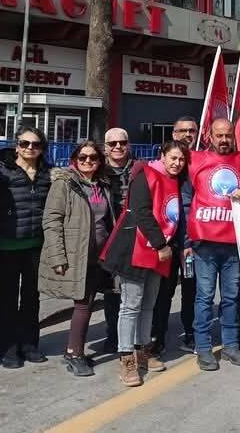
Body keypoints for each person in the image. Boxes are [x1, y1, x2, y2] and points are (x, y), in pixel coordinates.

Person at [102, 141, 187, 387]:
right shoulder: (145, 175)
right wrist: (161, 244)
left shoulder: (174, 180)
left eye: (181, 160)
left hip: (160, 252)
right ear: (162, 155)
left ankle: (142, 350)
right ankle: (126, 356)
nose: (176, 163)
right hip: (139, 249)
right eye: (172, 158)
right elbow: (141, 211)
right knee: (131, 305)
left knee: (148, 305)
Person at [40, 140, 120, 378]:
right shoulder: (64, 184)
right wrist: (58, 256)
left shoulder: (101, 184)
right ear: (74, 160)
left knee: (91, 301)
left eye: (93, 158)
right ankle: (75, 354)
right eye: (83, 158)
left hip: (100, 254)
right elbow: (51, 221)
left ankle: (74, 350)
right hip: (77, 253)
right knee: (83, 304)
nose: (88, 162)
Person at [185, 118, 240, 371]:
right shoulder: (194, 160)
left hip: (233, 243)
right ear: (210, 137)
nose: (224, 140)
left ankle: (231, 345)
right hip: (204, 243)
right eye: (219, 135)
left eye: (228, 135)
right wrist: (187, 238)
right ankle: (203, 348)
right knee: (204, 298)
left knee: (230, 298)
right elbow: (183, 196)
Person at [0, 126, 52, 369]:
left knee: (31, 297)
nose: (30, 148)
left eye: (35, 144)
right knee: (7, 297)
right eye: (25, 143)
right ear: (17, 146)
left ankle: (29, 344)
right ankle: (7, 348)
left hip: (36, 245)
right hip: (7, 244)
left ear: (42, 148)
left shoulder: (49, 174)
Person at [149, 118, 198, 358]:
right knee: (163, 292)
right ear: (173, 133)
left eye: (192, 130)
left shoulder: (198, 164)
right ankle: (157, 337)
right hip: (165, 243)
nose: (187, 134)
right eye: (182, 131)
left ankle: (191, 333)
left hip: (189, 245)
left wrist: (190, 242)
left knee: (191, 290)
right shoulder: (157, 169)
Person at [101, 127, 138, 353]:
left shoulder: (140, 169)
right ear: (105, 147)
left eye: (122, 143)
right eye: (112, 143)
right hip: (110, 237)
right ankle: (113, 335)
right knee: (112, 291)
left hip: (136, 236)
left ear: (128, 145)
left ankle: (135, 336)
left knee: (134, 290)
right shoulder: (99, 170)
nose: (117, 147)